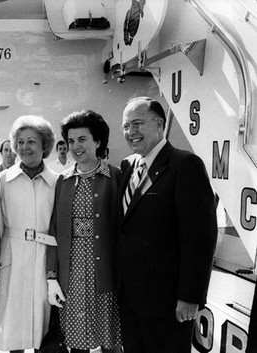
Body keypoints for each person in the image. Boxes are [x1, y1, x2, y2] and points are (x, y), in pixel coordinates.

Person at [117, 97, 217, 352]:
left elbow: (199, 238)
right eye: (126, 126)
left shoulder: (184, 165)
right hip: (130, 299)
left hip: (168, 303)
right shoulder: (129, 166)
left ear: (160, 124)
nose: (131, 132)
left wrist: (190, 297)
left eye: (137, 123)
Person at [46, 110, 122, 353]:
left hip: (105, 270)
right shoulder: (63, 180)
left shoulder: (116, 176)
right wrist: (51, 275)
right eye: (70, 141)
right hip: (73, 270)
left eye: (82, 139)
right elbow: (54, 230)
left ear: (98, 141)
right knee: (76, 340)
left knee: (110, 338)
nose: (75, 146)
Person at [0, 115, 57, 352]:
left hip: (44, 257)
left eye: (32, 142)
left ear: (45, 145)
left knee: (42, 321)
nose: (25, 147)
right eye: (21, 142)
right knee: (12, 323)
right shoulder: (3, 180)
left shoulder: (57, 181)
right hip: (12, 257)